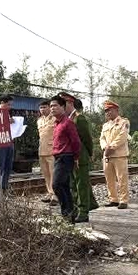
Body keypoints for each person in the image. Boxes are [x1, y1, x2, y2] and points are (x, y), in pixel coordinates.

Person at [59, 92, 98, 223]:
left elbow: (86, 138)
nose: (61, 107)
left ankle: (83, 212)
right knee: (72, 185)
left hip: (80, 156)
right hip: (69, 155)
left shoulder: (79, 118)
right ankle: (76, 208)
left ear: (70, 103)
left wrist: (90, 153)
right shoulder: (65, 120)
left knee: (81, 184)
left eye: (63, 104)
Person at [49, 95, 81, 222]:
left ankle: (66, 213)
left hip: (65, 157)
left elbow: (76, 141)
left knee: (56, 185)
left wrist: (76, 158)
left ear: (63, 107)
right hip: (58, 157)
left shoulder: (67, 123)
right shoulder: (57, 123)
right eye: (51, 106)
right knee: (64, 186)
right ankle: (70, 214)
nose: (52, 108)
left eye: (55, 105)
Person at [100, 100, 130, 209]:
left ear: (116, 110)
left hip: (119, 155)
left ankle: (123, 200)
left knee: (122, 178)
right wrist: (105, 148)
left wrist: (111, 147)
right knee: (109, 179)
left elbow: (122, 137)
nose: (108, 113)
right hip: (107, 155)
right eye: (106, 111)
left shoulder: (124, 122)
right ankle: (113, 199)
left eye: (110, 110)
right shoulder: (105, 125)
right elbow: (102, 138)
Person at [0, 95, 15, 192]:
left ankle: (4, 187)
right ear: (2, 103)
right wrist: (5, 121)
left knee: (8, 167)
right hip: (0, 143)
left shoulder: (7, 113)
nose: (10, 107)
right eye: (8, 104)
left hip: (9, 141)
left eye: (11, 105)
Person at [36, 100, 57, 205]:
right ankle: (49, 192)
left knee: (53, 173)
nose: (42, 109)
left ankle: (55, 195)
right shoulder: (39, 120)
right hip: (42, 150)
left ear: (49, 107)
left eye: (44, 107)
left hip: (52, 150)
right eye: (41, 108)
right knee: (46, 174)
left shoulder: (55, 119)